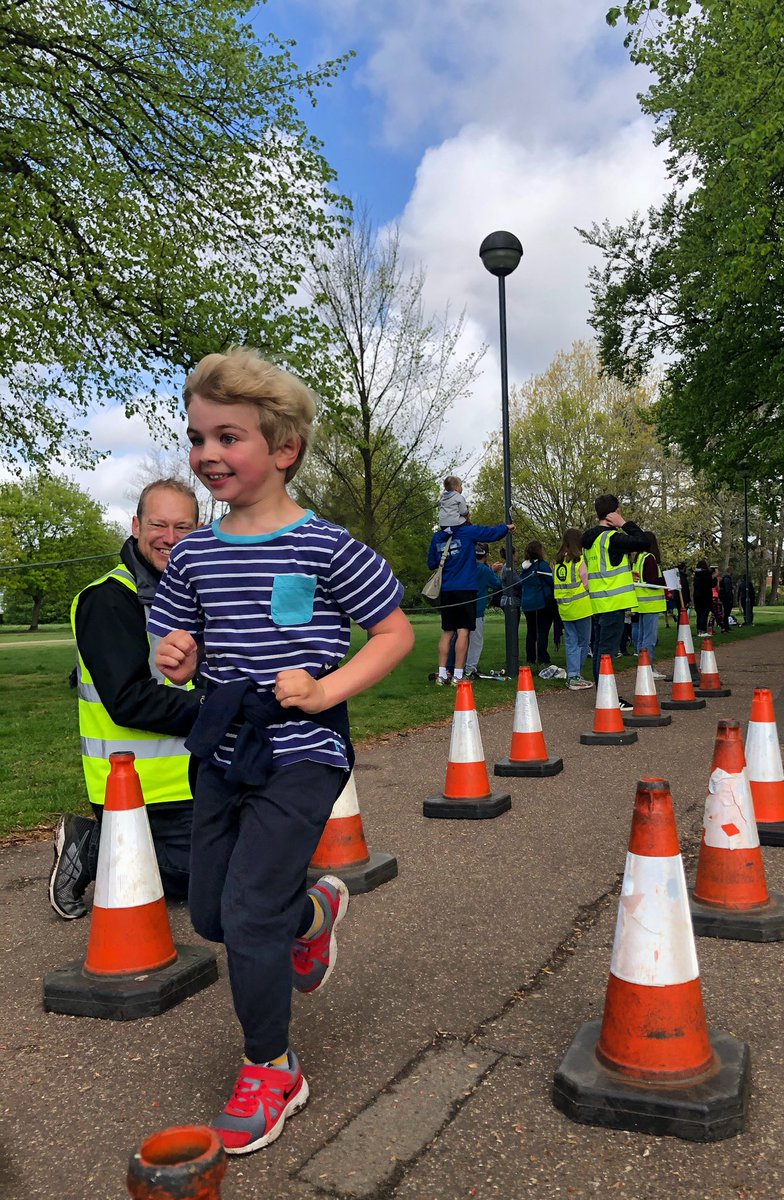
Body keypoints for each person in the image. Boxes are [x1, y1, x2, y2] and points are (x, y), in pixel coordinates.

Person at [147, 347, 415, 1155]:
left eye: (229, 437)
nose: (208, 456)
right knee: (211, 913)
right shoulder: (193, 552)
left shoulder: (326, 546)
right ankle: (314, 914)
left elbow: (395, 632)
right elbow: (172, 623)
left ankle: (272, 1067)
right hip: (221, 748)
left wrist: (329, 690)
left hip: (301, 750)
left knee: (249, 913)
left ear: (284, 448)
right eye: (198, 439)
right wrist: (175, 650)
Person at [48, 479, 202, 921]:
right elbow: (129, 700)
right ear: (136, 525)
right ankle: (94, 846)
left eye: (183, 527)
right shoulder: (109, 600)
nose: (170, 538)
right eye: (158, 524)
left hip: (198, 777)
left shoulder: (191, 595)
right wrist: (216, 712)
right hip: (137, 790)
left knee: (263, 856)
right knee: (215, 876)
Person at [581, 495, 652, 704]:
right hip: (613, 603)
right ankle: (608, 698)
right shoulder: (611, 538)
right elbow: (643, 541)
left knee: (601, 651)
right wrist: (624, 524)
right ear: (615, 512)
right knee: (607, 652)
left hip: (599, 603)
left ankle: (603, 695)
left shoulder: (590, 540)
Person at [427, 515, 513, 685]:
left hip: (446, 590)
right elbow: (490, 533)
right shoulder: (467, 532)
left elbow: (431, 563)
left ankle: (442, 673)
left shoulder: (438, 537)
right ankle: (459, 675)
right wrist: (506, 528)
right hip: (465, 588)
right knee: (463, 631)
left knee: (447, 632)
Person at [553, 528, 593, 690]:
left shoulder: (559, 562)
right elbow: (587, 583)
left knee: (571, 643)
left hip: (565, 608)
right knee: (584, 643)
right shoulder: (580, 560)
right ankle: (576, 675)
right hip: (581, 607)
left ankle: (572, 675)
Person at [464, 544, 502, 679]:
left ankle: (459, 667)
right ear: (485, 555)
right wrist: (494, 570)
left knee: (463, 639)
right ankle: (470, 669)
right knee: (476, 641)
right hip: (477, 610)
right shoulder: (483, 570)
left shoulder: (466, 567)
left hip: (463, 608)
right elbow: (497, 583)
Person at [631, 535, 667, 677]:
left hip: (641, 602)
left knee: (641, 638)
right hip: (651, 603)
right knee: (649, 639)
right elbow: (652, 581)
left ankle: (643, 666)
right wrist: (665, 579)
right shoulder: (649, 558)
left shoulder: (638, 558)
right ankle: (648, 668)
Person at [519, 540, 557, 676]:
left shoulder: (524, 568)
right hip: (541, 602)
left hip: (528, 604)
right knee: (542, 631)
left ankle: (531, 657)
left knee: (531, 632)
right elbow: (551, 581)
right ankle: (542, 657)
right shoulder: (542, 565)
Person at [691, 560, 712, 636]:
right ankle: (703, 630)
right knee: (704, 614)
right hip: (705, 596)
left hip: (697, 597)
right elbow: (710, 584)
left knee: (699, 614)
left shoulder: (696, 575)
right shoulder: (706, 575)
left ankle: (699, 630)